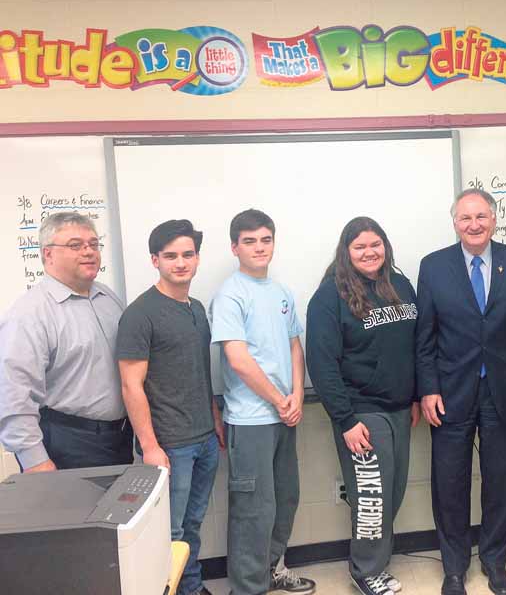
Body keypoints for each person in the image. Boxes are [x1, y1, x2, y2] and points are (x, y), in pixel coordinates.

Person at [416, 188, 506, 595]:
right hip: (450, 391)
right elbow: (425, 337)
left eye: (481, 216)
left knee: (500, 480)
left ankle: (495, 561)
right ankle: (454, 567)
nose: (474, 225)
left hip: (503, 390)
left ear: (494, 219)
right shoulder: (433, 266)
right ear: (455, 222)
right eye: (465, 218)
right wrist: (428, 389)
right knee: (449, 483)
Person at [307, 217, 420, 595]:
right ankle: (366, 570)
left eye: (375, 244)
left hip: (399, 408)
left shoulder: (400, 285)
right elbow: (322, 363)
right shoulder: (329, 298)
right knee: (372, 497)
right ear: (346, 251)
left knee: (393, 492)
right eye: (360, 247)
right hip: (361, 411)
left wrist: (415, 396)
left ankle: (376, 562)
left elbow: (413, 345)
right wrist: (345, 420)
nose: (369, 252)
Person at [210, 209, 315, 595]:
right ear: (235, 247)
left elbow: (294, 346)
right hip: (251, 419)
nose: (259, 247)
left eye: (265, 240)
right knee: (253, 510)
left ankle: (272, 570)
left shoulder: (280, 292)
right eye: (249, 241)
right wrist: (279, 400)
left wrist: (297, 394)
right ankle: (247, 588)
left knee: (285, 499)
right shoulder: (230, 294)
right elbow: (238, 359)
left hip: (284, 415)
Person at [117, 219, 224, 595]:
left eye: (188, 254)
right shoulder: (140, 314)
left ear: (197, 258)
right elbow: (131, 385)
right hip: (169, 445)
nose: (181, 262)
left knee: (191, 524)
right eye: (171, 256)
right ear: (155, 260)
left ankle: (190, 586)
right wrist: (150, 446)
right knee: (169, 530)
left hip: (205, 439)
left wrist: (214, 417)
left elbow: (199, 369)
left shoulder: (196, 308)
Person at [0, 211, 132, 472]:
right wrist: (35, 461)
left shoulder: (108, 297)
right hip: (68, 442)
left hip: (119, 438)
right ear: (48, 254)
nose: (89, 251)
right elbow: (13, 395)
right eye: (75, 245)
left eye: (93, 244)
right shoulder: (29, 314)